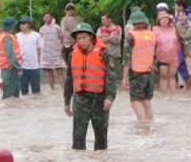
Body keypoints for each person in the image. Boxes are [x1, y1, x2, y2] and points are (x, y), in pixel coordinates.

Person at [65, 22, 118, 150]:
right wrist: (67, 102)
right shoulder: (72, 54)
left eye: (84, 37)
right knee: (78, 136)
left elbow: (111, 77)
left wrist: (109, 97)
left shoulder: (103, 53)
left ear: (91, 38)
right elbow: (69, 79)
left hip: (99, 99)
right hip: (80, 99)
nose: (81, 41)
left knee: (101, 137)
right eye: (78, 38)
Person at [123, 11, 157, 126]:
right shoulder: (152, 34)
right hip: (149, 71)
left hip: (136, 73)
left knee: (136, 101)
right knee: (147, 100)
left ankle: (144, 126)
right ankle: (151, 123)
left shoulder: (130, 36)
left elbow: (126, 59)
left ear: (132, 23)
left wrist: (124, 78)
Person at [153, 10, 181, 93]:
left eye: (166, 19)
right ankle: (164, 96)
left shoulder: (175, 29)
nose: (164, 20)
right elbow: (152, 44)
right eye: (162, 19)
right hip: (161, 58)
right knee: (163, 77)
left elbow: (180, 41)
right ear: (158, 21)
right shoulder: (155, 30)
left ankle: (173, 96)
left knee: (172, 77)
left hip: (174, 57)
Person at [16, 17, 43, 96]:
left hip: (34, 67)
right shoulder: (16, 36)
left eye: (24, 24)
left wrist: (38, 62)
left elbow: (39, 49)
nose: (22, 26)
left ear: (29, 25)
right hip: (22, 67)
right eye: (21, 24)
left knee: (37, 92)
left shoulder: (36, 35)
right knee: (23, 92)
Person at [0, 18, 22, 100]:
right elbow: (10, 54)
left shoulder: (3, 36)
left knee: (10, 98)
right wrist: (18, 68)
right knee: (11, 97)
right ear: (12, 27)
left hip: (7, 69)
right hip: (10, 69)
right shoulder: (7, 38)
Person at [38, 13, 65, 91]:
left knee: (59, 71)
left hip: (56, 52)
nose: (46, 18)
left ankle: (63, 89)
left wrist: (61, 48)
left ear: (51, 18)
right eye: (45, 17)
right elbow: (41, 41)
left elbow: (61, 38)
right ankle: (52, 89)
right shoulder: (42, 29)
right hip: (46, 53)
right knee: (49, 73)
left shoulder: (57, 27)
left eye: (48, 17)